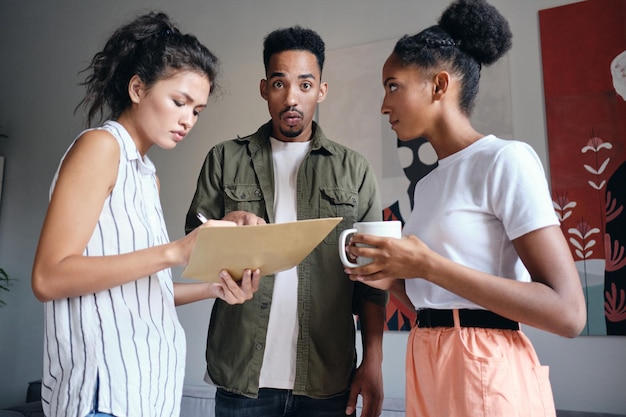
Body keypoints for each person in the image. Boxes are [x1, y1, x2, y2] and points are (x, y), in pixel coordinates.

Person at [343, 1, 587, 416]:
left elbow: (568, 313)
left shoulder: (506, 160)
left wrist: (428, 265)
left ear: (439, 86)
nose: (384, 104)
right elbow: (437, 303)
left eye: (393, 86)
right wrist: (392, 281)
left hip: (487, 368)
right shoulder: (430, 183)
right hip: (427, 362)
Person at [31, 12, 260, 417]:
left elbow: (138, 291)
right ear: (138, 88)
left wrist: (215, 289)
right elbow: (49, 277)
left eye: (198, 110)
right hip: (104, 397)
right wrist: (177, 251)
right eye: (179, 102)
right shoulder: (101, 148)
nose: (188, 119)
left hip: (148, 392)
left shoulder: (144, 174)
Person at [185, 26, 387, 417]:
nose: (291, 98)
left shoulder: (354, 171)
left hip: (328, 381)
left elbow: (373, 281)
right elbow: (192, 246)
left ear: (321, 90)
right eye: (279, 84)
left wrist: (373, 359)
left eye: (305, 85)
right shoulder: (224, 159)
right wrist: (224, 228)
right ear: (264, 88)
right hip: (241, 378)